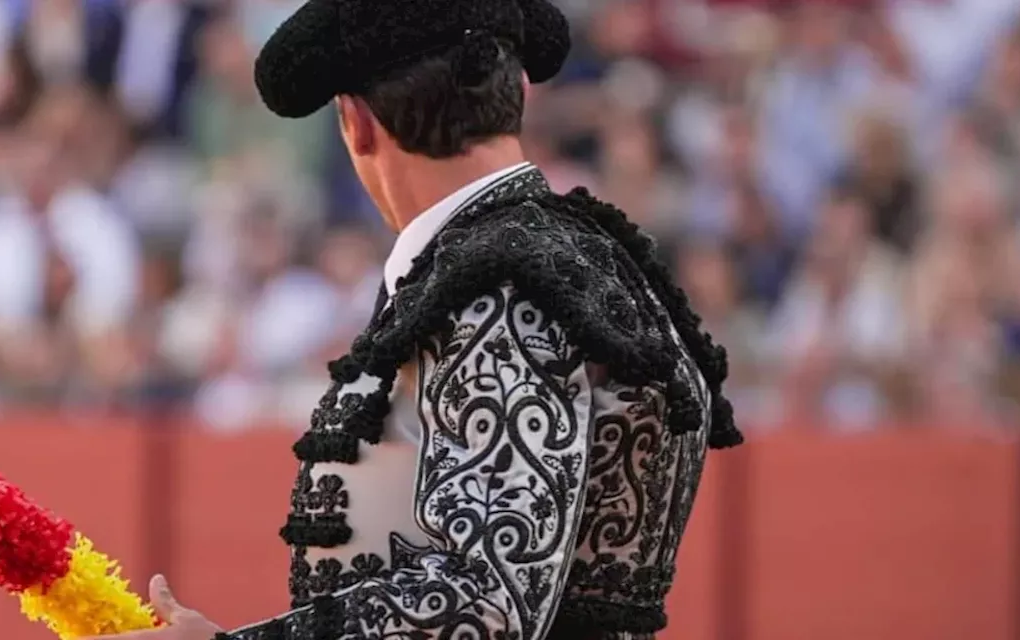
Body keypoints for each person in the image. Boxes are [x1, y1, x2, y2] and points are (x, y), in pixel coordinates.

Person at [93, 0, 742, 638]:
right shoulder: (587, 256)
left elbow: (491, 600)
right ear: (516, 89)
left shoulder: (497, 282)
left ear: (356, 124)